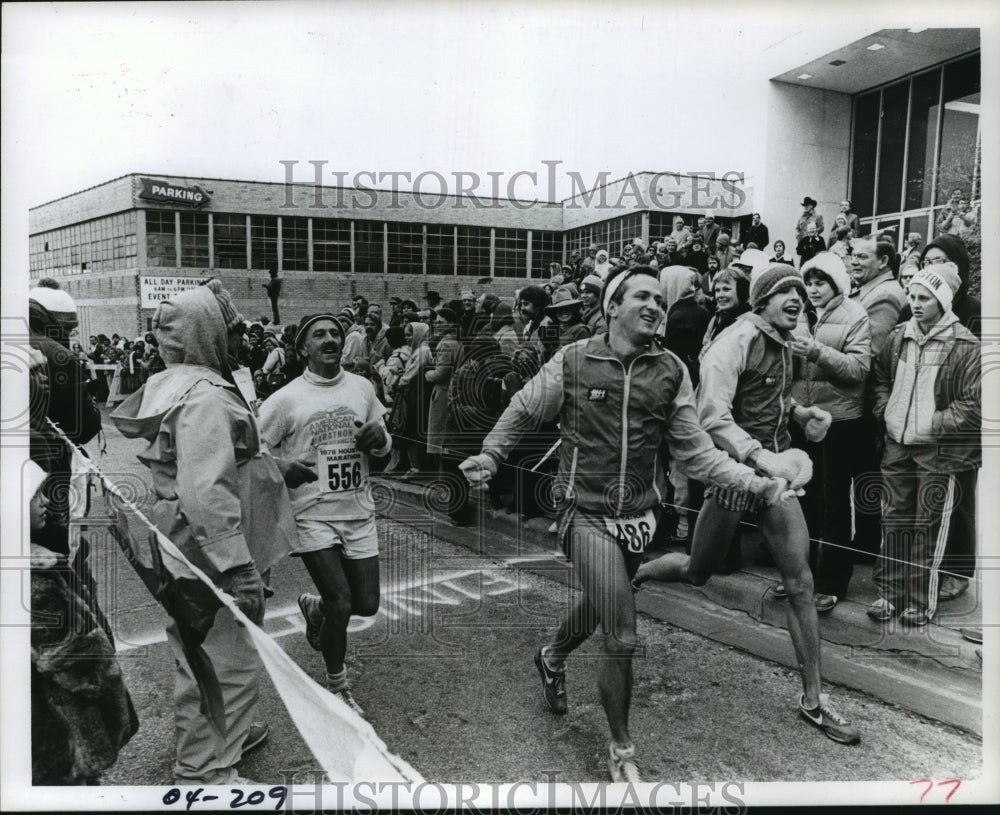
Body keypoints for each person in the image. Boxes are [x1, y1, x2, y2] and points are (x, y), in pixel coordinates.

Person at [459, 266, 791, 781]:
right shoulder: (573, 360)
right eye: (642, 296)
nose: (655, 305)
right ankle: (622, 750)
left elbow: (697, 454)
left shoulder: (672, 370)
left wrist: (755, 481)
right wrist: (490, 455)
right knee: (622, 632)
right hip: (583, 512)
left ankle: (551, 655)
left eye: (660, 298)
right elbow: (523, 410)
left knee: (599, 602)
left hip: (641, 518)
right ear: (612, 307)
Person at [633, 263, 861, 747]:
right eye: (784, 291)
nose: (797, 297)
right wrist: (759, 458)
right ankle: (639, 573)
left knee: (800, 581)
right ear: (761, 301)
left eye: (800, 290)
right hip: (736, 476)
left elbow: (775, 402)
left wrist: (804, 414)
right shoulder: (733, 341)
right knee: (698, 571)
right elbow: (712, 416)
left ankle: (814, 701)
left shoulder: (788, 341)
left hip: (775, 478)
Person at [112, 280, 302, 784]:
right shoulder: (206, 397)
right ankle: (207, 772)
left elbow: (214, 463)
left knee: (205, 653)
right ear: (206, 332)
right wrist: (237, 567)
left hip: (188, 546)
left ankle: (225, 737)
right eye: (230, 328)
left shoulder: (178, 383)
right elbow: (205, 487)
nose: (240, 338)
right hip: (209, 554)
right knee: (225, 661)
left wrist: (277, 468)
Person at [259, 314, 390, 714]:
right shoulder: (284, 399)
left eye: (335, 333)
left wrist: (381, 442)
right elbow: (250, 452)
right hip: (312, 513)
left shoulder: (363, 388)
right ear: (303, 348)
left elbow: (385, 457)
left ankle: (312, 608)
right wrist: (279, 467)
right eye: (319, 334)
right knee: (341, 603)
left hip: (358, 509)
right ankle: (338, 685)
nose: (330, 339)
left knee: (365, 604)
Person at [869, 262, 980, 626]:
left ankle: (918, 601)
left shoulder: (965, 345)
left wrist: (932, 423)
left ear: (943, 301)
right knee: (893, 519)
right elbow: (881, 377)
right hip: (898, 443)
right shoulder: (900, 335)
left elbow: (973, 403)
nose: (915, 303)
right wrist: (887, 410)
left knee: (926, 526)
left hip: (938, 450)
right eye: (913, 296)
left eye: (925, 298)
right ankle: (888, 593)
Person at [790, 253, 872, 613]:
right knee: (803, 497)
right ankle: (799, 576)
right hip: (805, 419)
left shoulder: (855, 314)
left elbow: (859, 369)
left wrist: (818, 351)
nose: (813, 289)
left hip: (840, 421)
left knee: (835, 503)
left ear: (836, 284)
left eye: (820, 282)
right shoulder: (800, 316)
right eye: (809, 282)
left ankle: (833, 582)